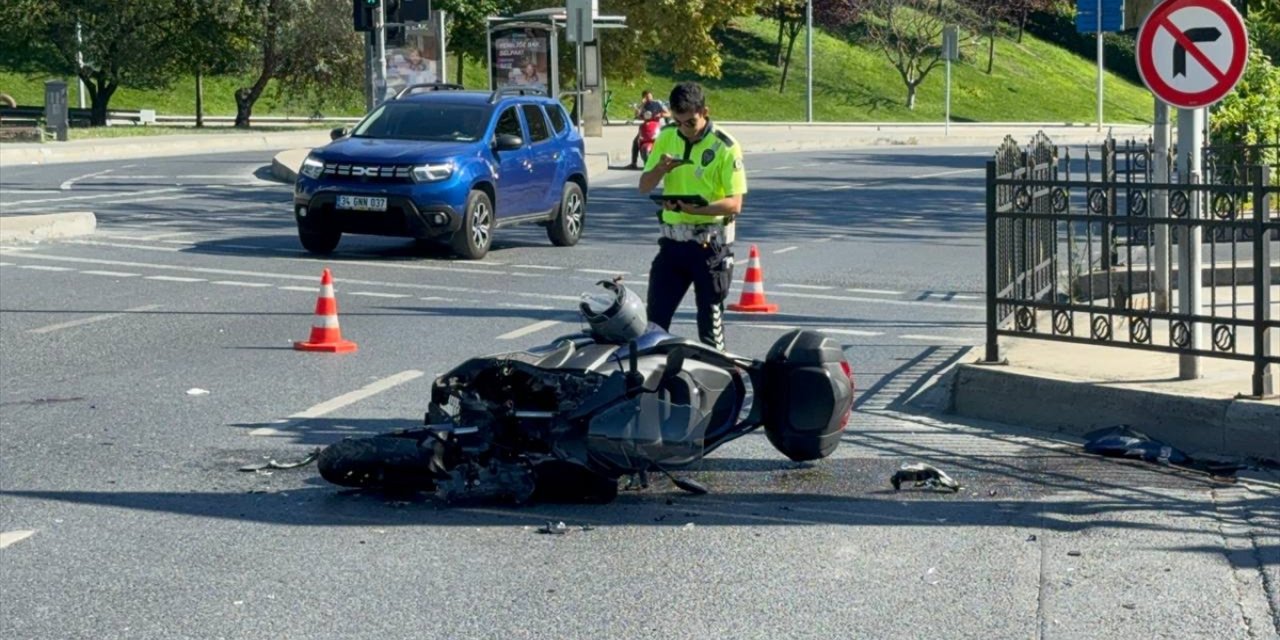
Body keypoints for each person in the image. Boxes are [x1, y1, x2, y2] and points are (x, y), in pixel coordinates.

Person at [637, 81, 746, 351]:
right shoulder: (667, 136)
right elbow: (644, 186)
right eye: (679, 121)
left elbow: (734, 204)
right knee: (654, 324)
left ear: (704, 112)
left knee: (710, 328)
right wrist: (660, 168)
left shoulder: (725, 146)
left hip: (709, 248)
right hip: (673, 245)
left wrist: (699, 210)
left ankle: (725, 385)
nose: (685, 128)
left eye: (691, 122)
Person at [628, 90, 669, 170]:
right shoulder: (643, 105)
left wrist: (661, 114)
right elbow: (637, 115)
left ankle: (667, 159)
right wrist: (640, 108)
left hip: (657, 126)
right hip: (646, 127)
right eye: (646, 97)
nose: (648, 98)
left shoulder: (658, 103)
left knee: (664, 140)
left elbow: (668, 113)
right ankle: (633, 163)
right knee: (636, 141)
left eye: (649, 96)